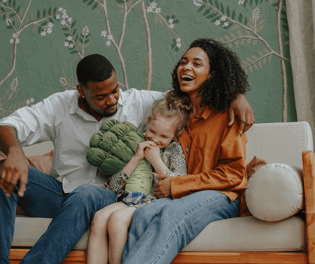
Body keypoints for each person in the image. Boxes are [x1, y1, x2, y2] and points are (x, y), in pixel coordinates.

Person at [0, 52, 253, 264]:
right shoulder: (58, 106)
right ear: (81, 91)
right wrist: (14, 152)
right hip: (59, 194)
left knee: (86, 193)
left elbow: (188, 93)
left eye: (115, 91)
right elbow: (8, 125)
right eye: (100, 96)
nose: (112, 100)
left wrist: (236, 94)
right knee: (1, 169)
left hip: (107, 193)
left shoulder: (139, 101)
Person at [122, 38, 249, 264]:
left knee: (172, 214)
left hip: (221, 196)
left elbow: (235, 174)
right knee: (142, 215)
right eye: (183, 62)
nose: (187, 67)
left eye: (197, 64)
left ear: (212, 74)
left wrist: (237, 96)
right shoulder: (176, 113)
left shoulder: (227, 114)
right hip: (182, 195)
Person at [87, 91, 189, 264]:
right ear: (147, 121)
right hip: (130, 198)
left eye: (164, 136)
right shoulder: (136, 143)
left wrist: (156, 161)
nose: (155, 139)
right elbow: (113, 188)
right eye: (152, 132)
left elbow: (179, 185)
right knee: (99, 217)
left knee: (117, 220)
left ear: (176, 134)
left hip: (155, 202)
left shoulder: (175, 150)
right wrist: (135, 158)